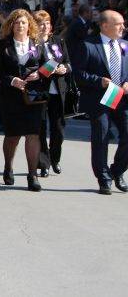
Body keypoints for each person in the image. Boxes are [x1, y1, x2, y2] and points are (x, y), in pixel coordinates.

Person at [72, 10, 128, 195]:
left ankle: (117, 171)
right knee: (101, 137)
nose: (123, 27)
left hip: (121, 98)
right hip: (99, 99)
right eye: (118, 24)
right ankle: (104, 178)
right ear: (105, 25)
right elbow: (78, 74)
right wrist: (98, 81)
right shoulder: (89, 45)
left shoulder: (125, 45)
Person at [0, 9, 46, 192]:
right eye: (17, 23)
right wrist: (12, 80)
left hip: (33, 97)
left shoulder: (37, 44)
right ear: (11, 25)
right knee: (12, 136)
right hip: (10, 97)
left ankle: (32, 175)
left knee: (33, 134)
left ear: (29, 25)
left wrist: (39, 73)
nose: (20, 26)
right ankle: (8, 166)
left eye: (23, 22)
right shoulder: (3, 45)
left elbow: (48, 65)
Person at [33, 10, 71, 178]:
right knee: (40, 128)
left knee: (58, 129)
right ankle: (43, 163)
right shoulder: (32, 43)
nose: (45, 27)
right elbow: (31, 67)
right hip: (40, 90)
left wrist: (65, 68)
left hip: (58, 91)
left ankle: (55, 158)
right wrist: (46, 70)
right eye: (41, 23)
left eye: (47, 23)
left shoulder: (58, 40)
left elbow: (68, 63)